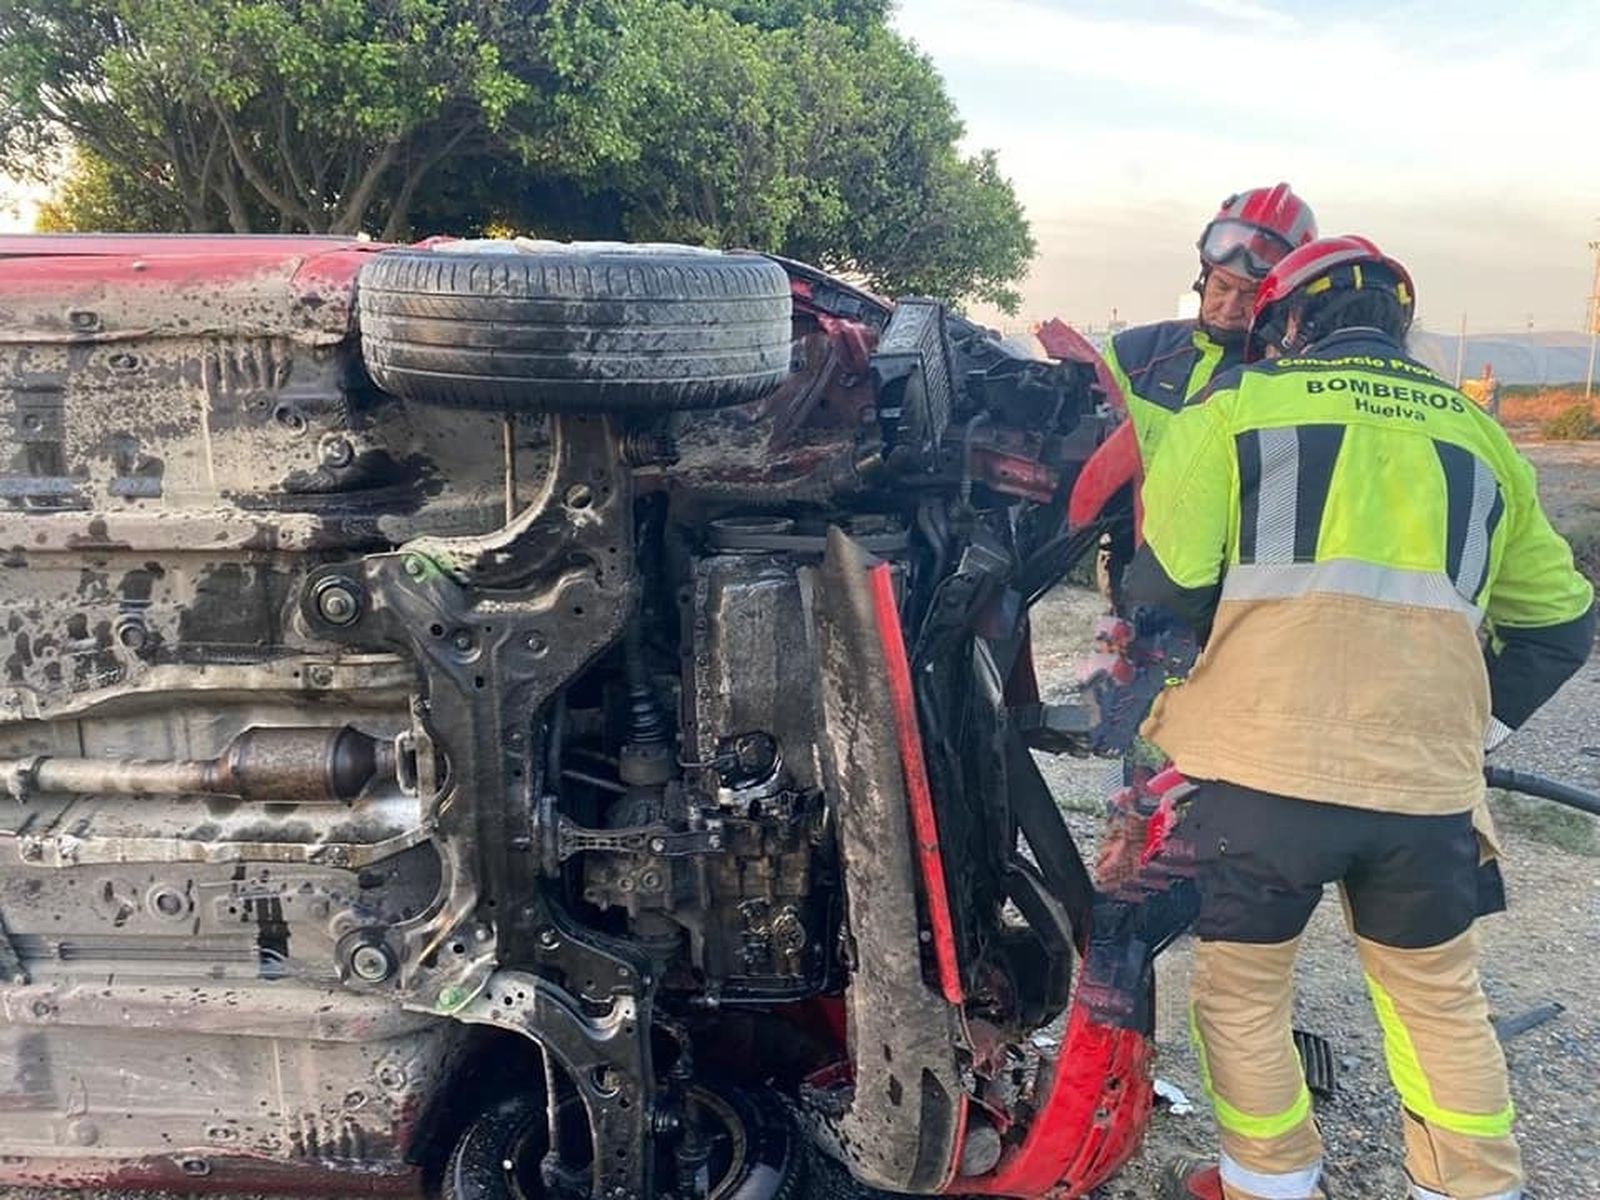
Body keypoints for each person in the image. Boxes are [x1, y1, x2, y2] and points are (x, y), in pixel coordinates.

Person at [1124, 235, 1596, 1200]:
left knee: (1245, 999)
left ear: (1290, 323)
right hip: (1423, 791)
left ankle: (1270, 1182)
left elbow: (1162, 596)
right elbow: (1561, 621)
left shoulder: (1238, 408)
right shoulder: (1482, 437)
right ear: (1398, 324)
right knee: (1438, 1004)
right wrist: (1474, 729)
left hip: (1260, 780)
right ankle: (1467, 1188)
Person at [1103, 183, 1318, 465]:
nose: (1228, 308)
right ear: (1205, 277)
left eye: (1250, 295)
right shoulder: (1131, 354)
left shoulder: (1296, 386)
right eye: (1221, 286)